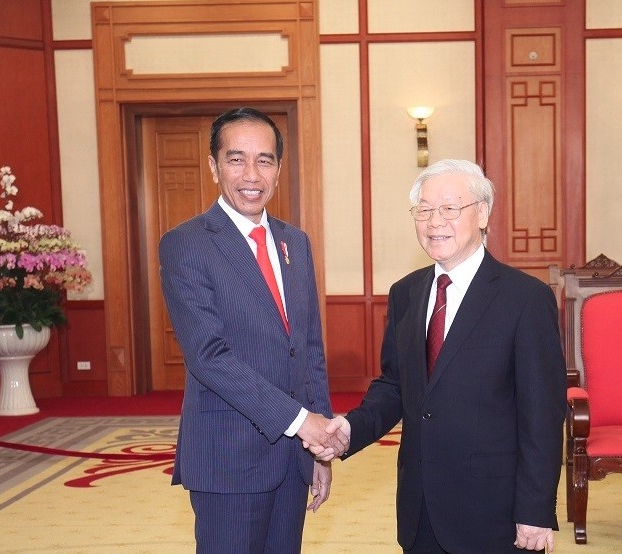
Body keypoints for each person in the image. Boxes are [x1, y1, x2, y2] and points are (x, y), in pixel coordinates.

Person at [318, 159, 567, 553]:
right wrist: (350, 430)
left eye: (450, 209)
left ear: (482, 214)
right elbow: (396, 386)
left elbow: (543, 414)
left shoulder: (525, 298)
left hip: (494, 513)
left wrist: (535, 509)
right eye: (424, 210)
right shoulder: (406, 294)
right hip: (420, 508)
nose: (435, 222)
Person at [159, 107, 346, 553]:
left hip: (293, 459)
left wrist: (321, 452)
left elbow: (309, 349)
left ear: (279, 169)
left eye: (264, 160)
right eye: (236, 158)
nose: (251, 174)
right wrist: (304, 424)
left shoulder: (294, 242)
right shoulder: (187, 243)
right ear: (213, 166)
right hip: (229, 456)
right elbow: (209, 357)